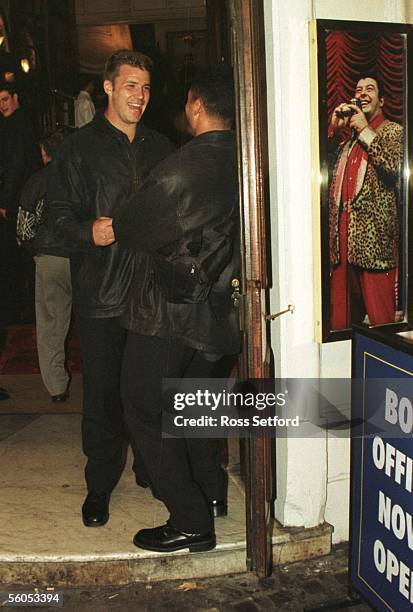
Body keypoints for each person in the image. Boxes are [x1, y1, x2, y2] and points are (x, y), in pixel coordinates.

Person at [111, 65, 240, 553]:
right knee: (197, 408)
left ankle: (189, 519)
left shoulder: (186, 165)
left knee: (143, 402)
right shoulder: (247, 159)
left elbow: (134, 226)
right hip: (223, 312)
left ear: (196, 105)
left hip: (174, 310)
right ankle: (210, 495)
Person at [47, 50, 174, 527]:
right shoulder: (78, 148)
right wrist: (88, 232)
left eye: (145, 87)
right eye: (130, 86)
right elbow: (55, 217)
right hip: (101, 291)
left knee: (151, 392)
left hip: (152, 292)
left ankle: (152, 470)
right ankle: (99, 485)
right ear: (108, 87)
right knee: (101, 397)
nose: (139, 96)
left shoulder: (161, 146)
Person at [328, 74, 403, 330]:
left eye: (370, 88)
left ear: (381, 100)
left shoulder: (392, 131)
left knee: (382, 327)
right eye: (358, 89)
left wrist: (362, 128)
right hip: (342, 248)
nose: (362, 93)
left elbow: (393, 165)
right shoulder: (346, 143)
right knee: (340, 327)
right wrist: (335, 129)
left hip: (375, 250)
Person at [16, 130, 72, 402]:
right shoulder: (82, 180)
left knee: (52, 324)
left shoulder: (37, 181)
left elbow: (24, 228)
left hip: (50, 258)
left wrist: (33, 248)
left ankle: (57, 387)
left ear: (44, 152)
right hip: (84, 257)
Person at [0, 81, 42, 323]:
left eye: (5, 99)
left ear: (15, 97)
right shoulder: (16, 123)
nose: (2, 105)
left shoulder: (18, 123)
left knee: (21, 252)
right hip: (21, 195)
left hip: (20, 197)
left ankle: (23, 308)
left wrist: (5, 201)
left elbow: (16, 165)